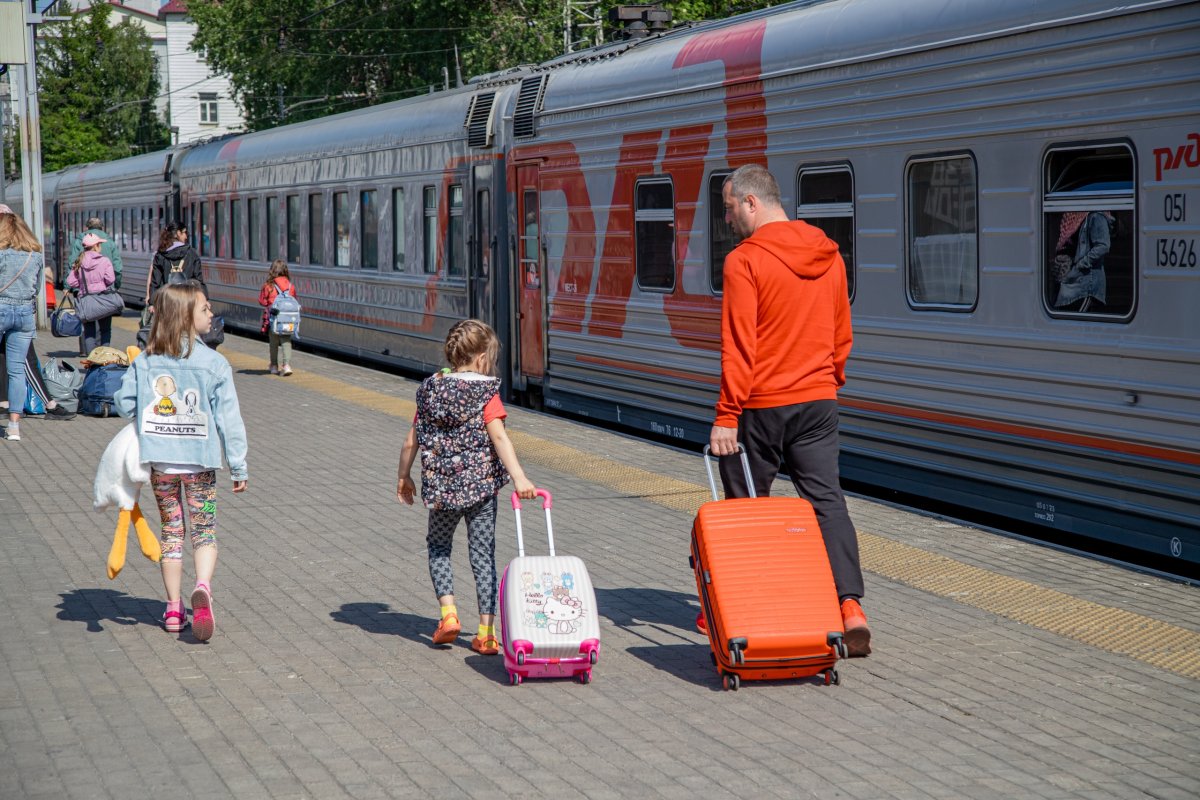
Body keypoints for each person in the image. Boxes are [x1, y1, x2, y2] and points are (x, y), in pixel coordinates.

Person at [706, 163, 871, 657]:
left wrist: (727, 414)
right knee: (827, 503)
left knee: (747, 510)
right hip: (819, 402)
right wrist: (827, 379)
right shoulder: (829, 253)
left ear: (752, 203)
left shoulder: (745, 261)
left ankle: (750, 606)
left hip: (761, 406)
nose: (728, 220)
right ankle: (849, 607)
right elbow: (843, 332)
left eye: (730, 208)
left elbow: (739, 346)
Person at [113, 281, 248, 640]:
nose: (210, 315)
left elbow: (124, 403)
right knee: (203, 532)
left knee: (172, 533)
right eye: (205, 309)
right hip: (200, 465)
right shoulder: (215, 363)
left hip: (161, 465)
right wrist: (239, 465)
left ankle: (173, 609)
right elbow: (229, 420)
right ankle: (202, 586)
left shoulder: (146, 359)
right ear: (188, 317)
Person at [395, 319, 537, 655]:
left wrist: (403, 476)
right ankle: (487, 633)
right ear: (481, 359)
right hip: (482, 491)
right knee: (482, 555)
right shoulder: (486, 392)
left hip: (443, 491)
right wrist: (519, 477)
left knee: (439, 546)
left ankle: (449, 615)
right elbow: (498, 436)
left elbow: (410, 440)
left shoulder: (431, 391)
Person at [0, 212, 43, 442]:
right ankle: (14, 426)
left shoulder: (1, 254)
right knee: (16, 371)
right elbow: (36, 290)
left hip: (1, 308)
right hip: (26, 313)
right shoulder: (34, 256)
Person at [67, 232, 118, 354]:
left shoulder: (79, 261)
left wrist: (83, 285)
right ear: (95, 246)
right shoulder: (104, 261)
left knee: (89, 332)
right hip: (103, 299)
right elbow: (110, 279)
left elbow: (71, 281)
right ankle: (104, 359)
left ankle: (91, 362)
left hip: (86, 301)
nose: (101, 246)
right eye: (99, 244)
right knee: (105, 330)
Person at [1053, 210, 1112, 312]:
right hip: (1071, 282)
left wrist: (1080, 265)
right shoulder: (1075, 219)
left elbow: (1103, 246)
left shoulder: (1096, 216)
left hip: (1085, 284)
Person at [148, 223, 206, 310]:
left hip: (167, 301)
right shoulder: (192, 253)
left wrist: (152, 303)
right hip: (188, 300)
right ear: (178, 233)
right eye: (185, 233)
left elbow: (155, 282)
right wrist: (205, 300)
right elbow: (198, 279)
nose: (186, 236)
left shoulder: (160, 255)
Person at [258, 259, 297, 376]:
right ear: (285, 270)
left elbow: (262, 301)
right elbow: (294, 300)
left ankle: (274, 366)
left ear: (272, 271)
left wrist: (270, 303)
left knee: (273, 342)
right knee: (286, 341)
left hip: (273, 319)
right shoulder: (290, 286)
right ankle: (286, 366)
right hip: (287, 319)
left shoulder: (268, 286)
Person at [68, 216, 123, 290]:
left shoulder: (80, 241)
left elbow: (72, 264)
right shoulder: (109, 242)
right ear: (102, 228)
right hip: (105, 291)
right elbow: (117, 268)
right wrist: (116, 285)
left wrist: (72, 287)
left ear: (87, 228)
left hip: (83, 293)